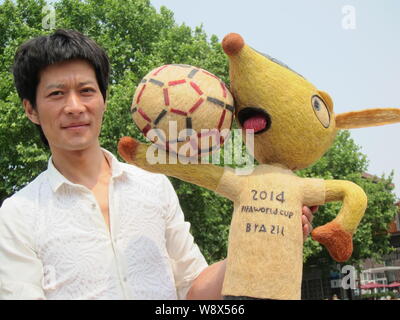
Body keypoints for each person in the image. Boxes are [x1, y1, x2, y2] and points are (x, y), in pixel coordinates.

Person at [0, 29, 316, 300]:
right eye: (56, 94)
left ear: (104, 100)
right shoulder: (17, 215)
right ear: (31, 109)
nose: (74, 107)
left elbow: (194, 287)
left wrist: (262, 237)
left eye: (86, 91)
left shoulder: (153, 185)